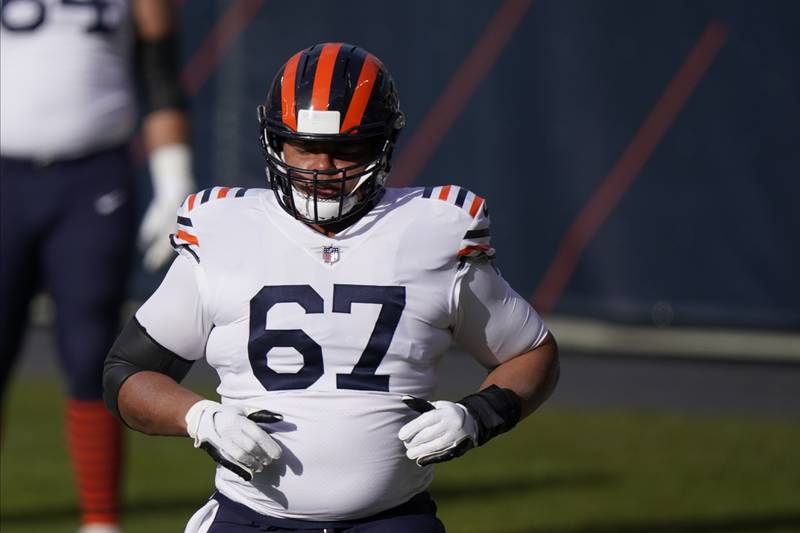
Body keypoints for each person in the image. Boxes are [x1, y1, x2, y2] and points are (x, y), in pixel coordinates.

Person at [102, 42, 559, 532]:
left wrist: (481, 415)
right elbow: (126, 374)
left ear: (383, 144)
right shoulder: (223, 230)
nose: (322, 166)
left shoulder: (434, 232)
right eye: (304, 145)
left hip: (391, 519)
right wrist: (198, 418)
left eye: (345, 148)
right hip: (249, 519)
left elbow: (531, 353)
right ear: (274, 141)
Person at [0, 1, 193, 531]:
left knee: (91, 351)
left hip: (92, 178)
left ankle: (101, 521)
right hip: (4, 179)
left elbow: (159, 74)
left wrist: (172, 176)